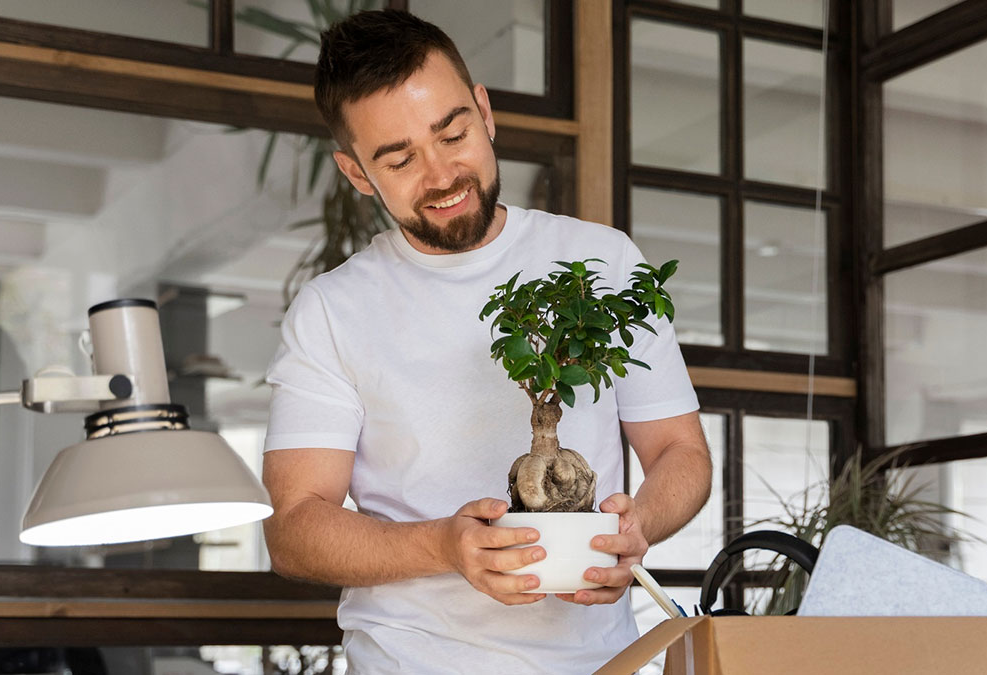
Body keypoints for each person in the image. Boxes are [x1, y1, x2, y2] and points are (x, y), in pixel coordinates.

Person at [261, 9, 712, 674]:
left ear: (485, 111)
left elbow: (682, 451)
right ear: (357, 173)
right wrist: (443, 546)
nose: (442, 174)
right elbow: (295, 527)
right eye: (401, 157)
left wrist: (638, 520)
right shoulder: (332, 310)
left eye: (453, 133)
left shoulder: (602, 264)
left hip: (598, 662)